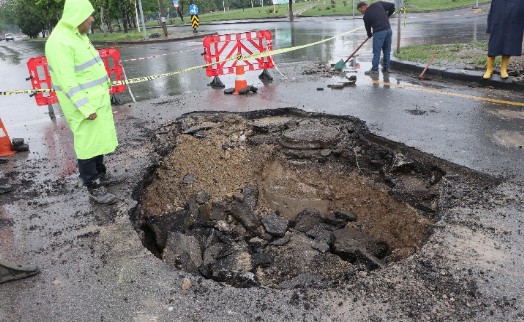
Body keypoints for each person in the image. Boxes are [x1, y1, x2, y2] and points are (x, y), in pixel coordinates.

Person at [45, 0, 118, 205]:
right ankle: (92, 184)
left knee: (98, 139)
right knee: (87, 143)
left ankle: (101, 173)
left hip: (95, 100)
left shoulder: (78, 36)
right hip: (83, 104)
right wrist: (85, 107)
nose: (92, 19)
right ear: (77, 16)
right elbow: (68, 82)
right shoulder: (60, 42)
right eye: (89, 15)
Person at [482, 0, 524, 80]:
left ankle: (503, 69)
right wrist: (489, 26)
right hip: (498, 23)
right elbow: (492, 11)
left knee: (508, 45)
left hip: (513, 23)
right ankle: (489, 69)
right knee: (494, 46)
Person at [357, 1, 395, 75]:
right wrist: (388, 16)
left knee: (376, 51)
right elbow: (393, 6)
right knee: (387, 50)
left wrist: (369, 34)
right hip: (388, 30)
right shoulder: (379, 4)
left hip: (379, 32)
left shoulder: (366, 16)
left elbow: (368, 29)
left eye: (360, 11)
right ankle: (386, 68)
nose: (361, 12)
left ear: (363, 7)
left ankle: (374, 69)